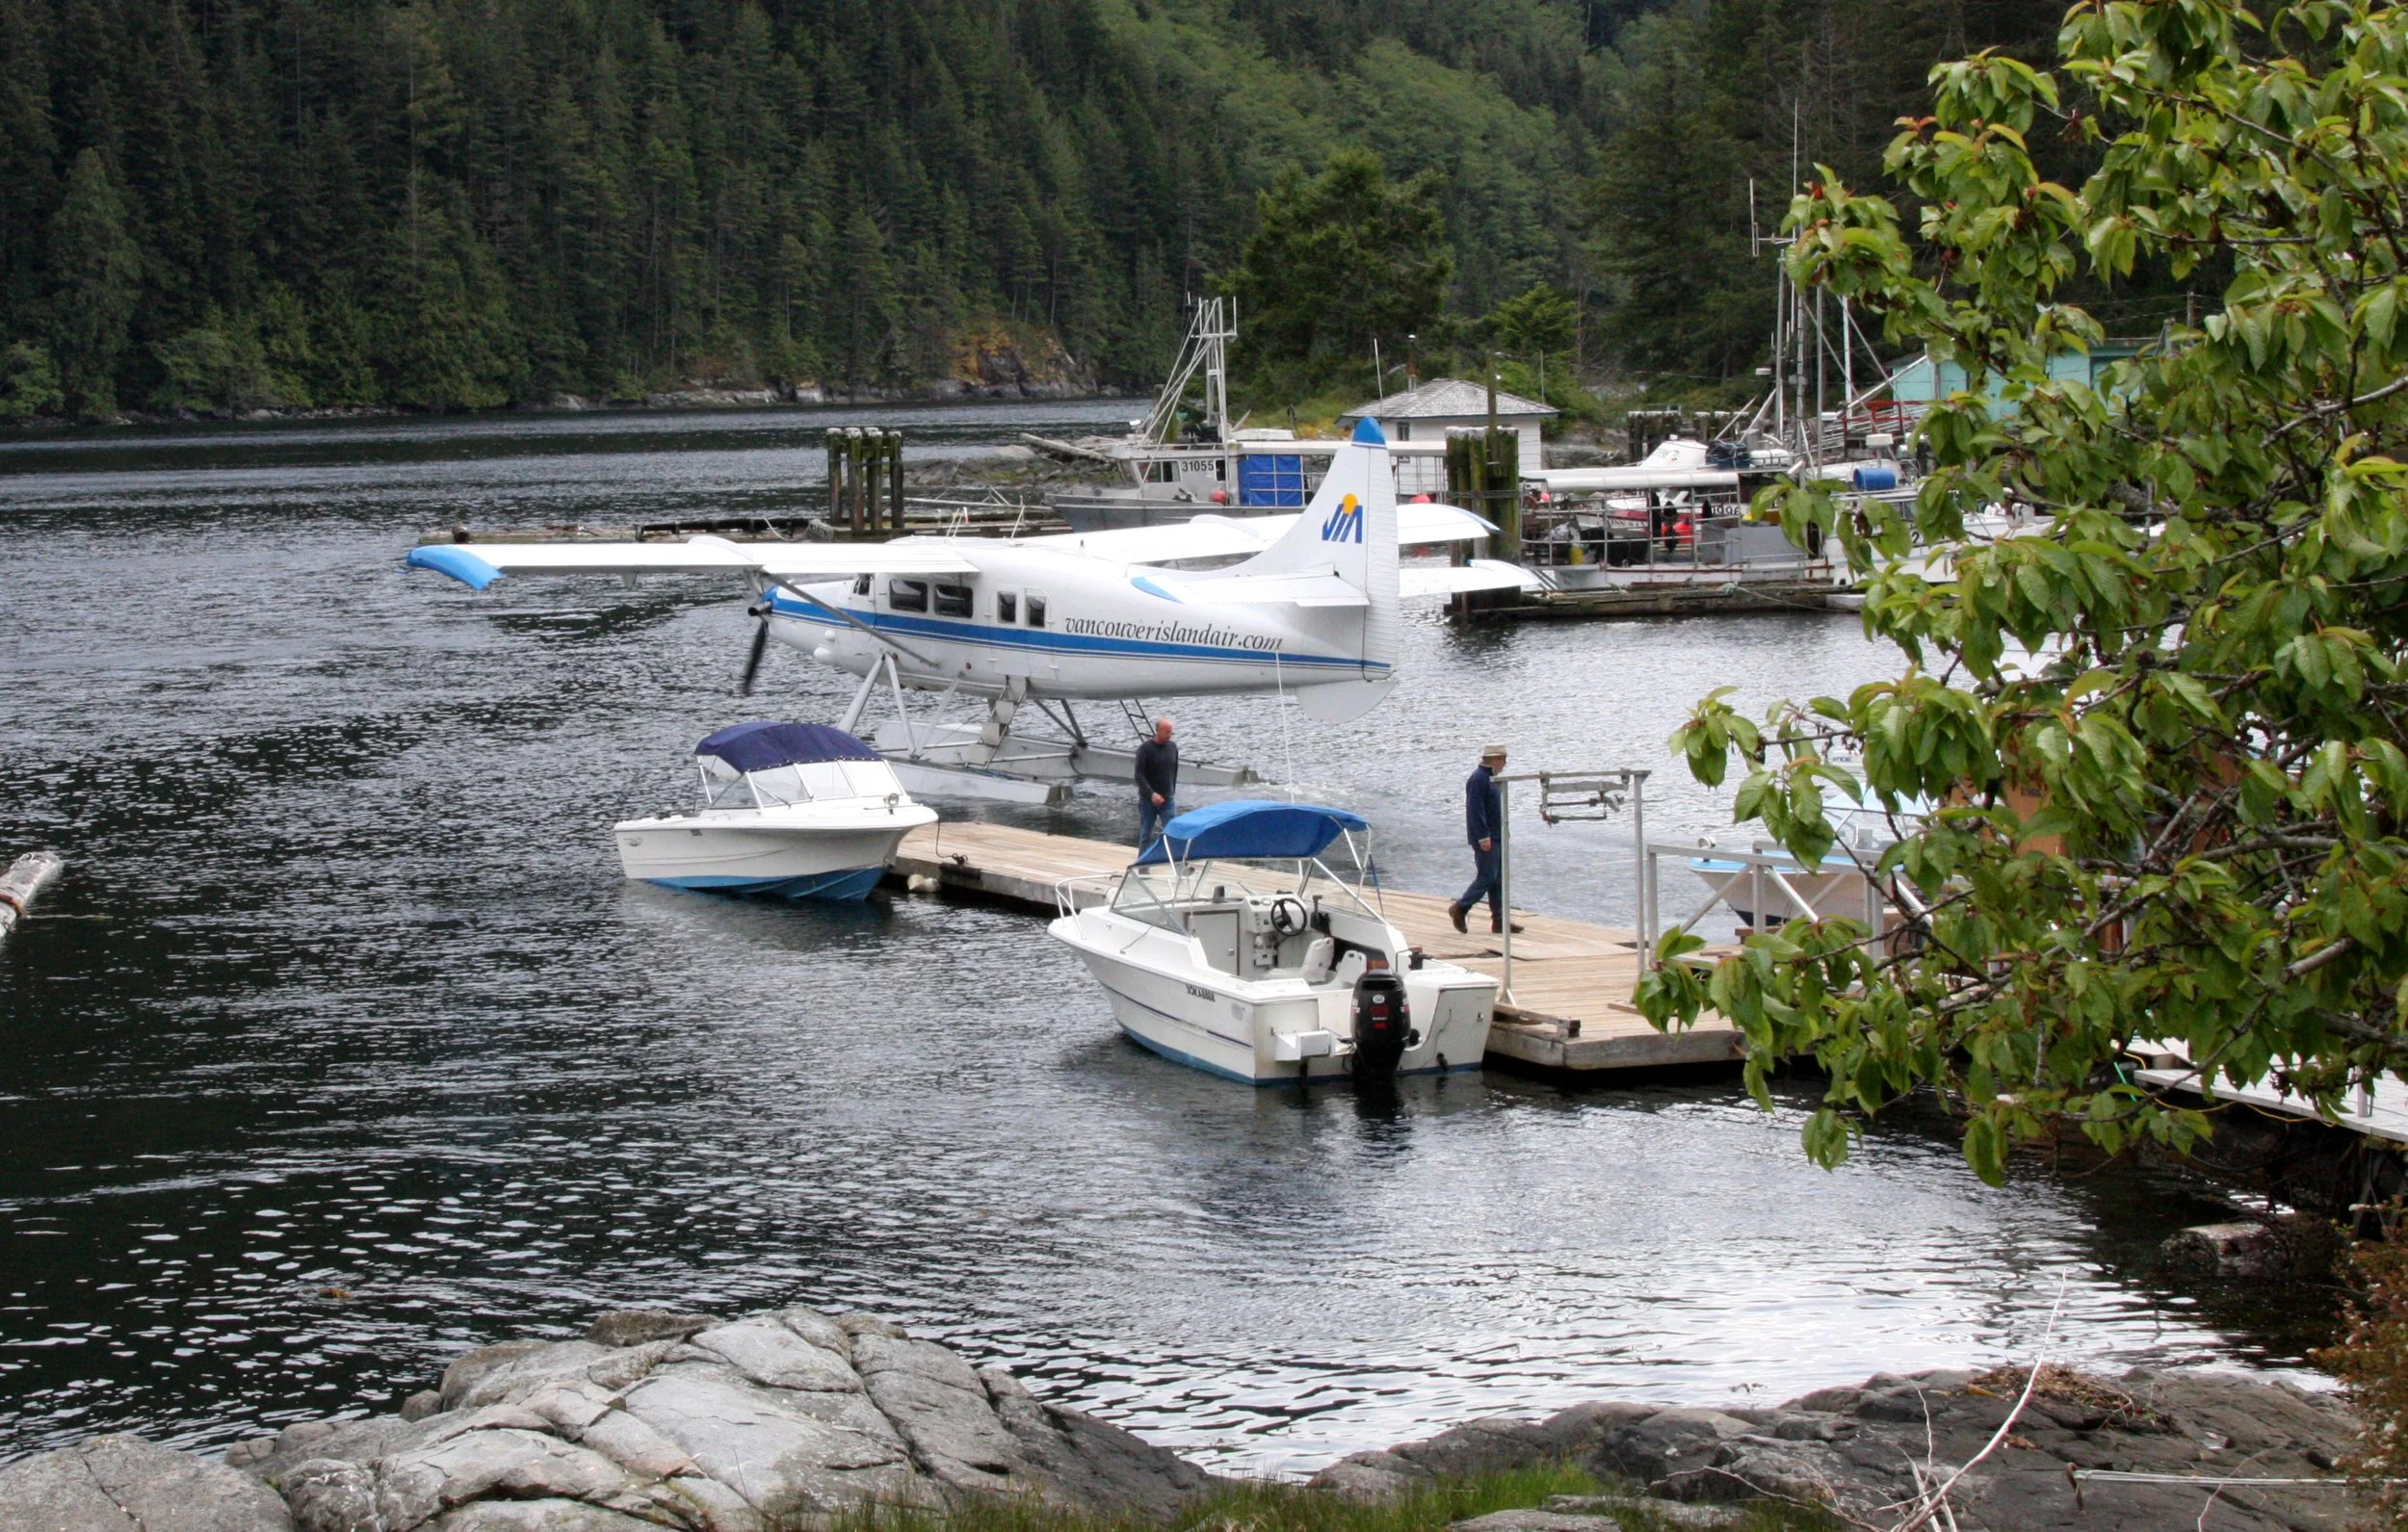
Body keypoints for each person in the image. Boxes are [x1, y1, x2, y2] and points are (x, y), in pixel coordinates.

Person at [1449, 744, 1521, 934]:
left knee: (1497, 879)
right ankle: (1461, 907)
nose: (1505, 764)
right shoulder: (1478, 779)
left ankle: (1499, 920)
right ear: (1495, 759)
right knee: (1487, 876)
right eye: (1504, 760)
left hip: (1497, 835)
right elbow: (1475, 810)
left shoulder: (1492, 778)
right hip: (1486, 837)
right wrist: (1482, 837)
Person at [1135, 717, 1178, 849]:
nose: (1169, 735)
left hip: (1167, 798)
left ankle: (1173, 861)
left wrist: (1172, 791)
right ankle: (1143, 866)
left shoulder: (1172, 747)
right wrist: (1151, 794)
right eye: (1166, 732)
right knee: (1146, 834)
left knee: (1173, 832)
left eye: (1171, 732)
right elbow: (1138, 775)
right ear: (1158, 731)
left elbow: (1174, 770)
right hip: (1148, 800)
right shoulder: (1145, 749)